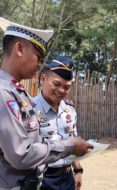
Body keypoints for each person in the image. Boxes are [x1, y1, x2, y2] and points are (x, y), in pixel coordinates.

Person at [0, 17, 93, 190]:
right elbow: (20, 154)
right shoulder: (1, 93)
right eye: (38, 57)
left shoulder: (17, 93)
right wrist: (70, 146)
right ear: (19, 49)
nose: (39, 64)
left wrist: (77, 169)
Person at [32, 56, 84, 190]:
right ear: (43, 79)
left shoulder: (69, 110)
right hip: (41, 179)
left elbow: (72, 141)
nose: (61, 90)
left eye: (67, 87)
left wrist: (77, 170)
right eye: (56, 84)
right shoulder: (29, 110)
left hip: (67, 178)